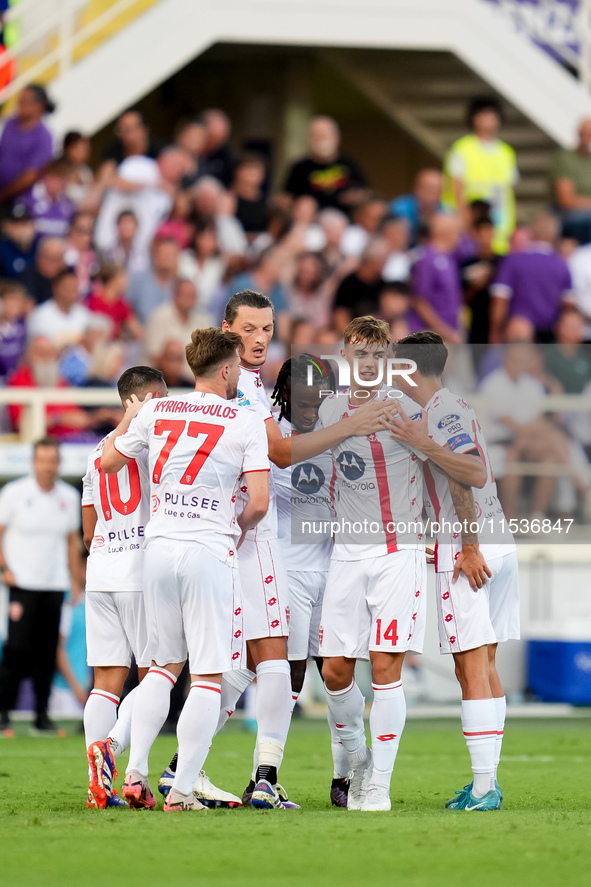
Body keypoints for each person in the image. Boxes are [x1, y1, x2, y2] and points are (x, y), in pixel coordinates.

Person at [100, 328, 270, 812]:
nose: (239, 372)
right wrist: (233, 529)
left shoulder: (156, 409)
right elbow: (258, 502)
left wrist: (129, 419)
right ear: (224, 369)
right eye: (237, 364)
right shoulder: (244, 420)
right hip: (207, 546)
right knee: (210, 676)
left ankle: (134, 773)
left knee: (160, 668)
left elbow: (110, 462)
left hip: (157, 547)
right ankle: (180, 791)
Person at [390, 330, 519, 812]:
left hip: (475, 547)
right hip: (497, 539)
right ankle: (487, 781)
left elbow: (467, 474)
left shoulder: (437, 415)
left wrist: (465, 545)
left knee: (470, 666)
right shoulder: (454, 407)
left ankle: (485, 787)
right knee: (484, 663)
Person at [82, 367, 168, 809]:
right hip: (139, 570)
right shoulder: (153, 439)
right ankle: (124, 760)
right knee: (158, 673)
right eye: (163, 397)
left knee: (106, 683)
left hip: (100, 572)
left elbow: (86, 529)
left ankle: (99, 786)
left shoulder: (95, 451)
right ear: (149, 397)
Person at [270, 355, 352, 807]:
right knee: (290, 675)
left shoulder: (341, 427)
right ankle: (267, 775)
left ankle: (344, 780)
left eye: (317, 401)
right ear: (286, 395)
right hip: (290, 571)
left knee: (339, 674)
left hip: (336, 570)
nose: (309, 410)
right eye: (301, 403)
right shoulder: (272, 430)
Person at [0, 438, 82, 734]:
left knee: (48, 653)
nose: (48, 466)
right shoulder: (14, 493)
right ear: (34, 462)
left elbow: (72, 541)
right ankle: (3, 713)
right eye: (43, 460)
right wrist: (5, 568)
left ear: (58, 463)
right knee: (17, 650)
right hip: (21, 582)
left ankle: (42, 716)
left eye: (52, 460)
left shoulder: (68, 497)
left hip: (54, 584)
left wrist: (74, 580)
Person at [443, 96, 518, 253]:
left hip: (499, 230)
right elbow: (457, 190)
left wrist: (509, 228)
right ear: (473, 118)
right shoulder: (462, 148)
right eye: (482, 114)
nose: (488, 119)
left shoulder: (507, 152)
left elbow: (508, 194)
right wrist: (467, 224)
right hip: (470, 228)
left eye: (492, 114)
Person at [490, 212, 573, 343]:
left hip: (517, 334)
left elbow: (500, 300)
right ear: (554, 236)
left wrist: (495, 331)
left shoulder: (513, 261)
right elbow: (567, 305)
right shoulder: (561, 265)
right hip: (548, 335)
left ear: (532, 233)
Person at [283, 115, 367, 211]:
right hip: (310, 221)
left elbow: (364, 191)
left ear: (336, 137)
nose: (321, 140)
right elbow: (287, 198)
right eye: (316, 136)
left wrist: (354, 196)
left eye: (324, 135)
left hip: (345, 219)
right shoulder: (300, 167)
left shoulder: (348, 163)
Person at [409, 213, 464, 342]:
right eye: (457, 231)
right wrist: (446, 332)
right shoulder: (426, 259)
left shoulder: (450, 259)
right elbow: (420, 302)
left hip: (450, 334)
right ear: (444, 232)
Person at [145, 278, 213, 377]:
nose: (191, 299)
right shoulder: (159, 317)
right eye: (188, 295)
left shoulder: (204, 320)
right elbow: (155, 358)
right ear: (176, 295)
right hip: (163, 380)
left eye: (194, 296)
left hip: (195, 382)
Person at [0, 84, 55, 205]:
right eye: (19, 100)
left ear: (38, 106)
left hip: (21, 201)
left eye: (24, 102)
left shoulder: (44, 136)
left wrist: (4, 194)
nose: (19, 105)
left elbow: (32, 174)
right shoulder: (9, 123)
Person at [332, 238, 390, 333]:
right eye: (383, 261)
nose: (385, 264)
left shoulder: (383, 285)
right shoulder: (349, 284)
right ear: (372, 261)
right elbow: (340, 319)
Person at [460, 216, 503, 344]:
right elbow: (459, 299)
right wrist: (475, 287)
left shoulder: (503, 262)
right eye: (481, 233)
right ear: (474, 235)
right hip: (475, 324)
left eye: (488, 232)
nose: (485, 237)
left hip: (499, 323)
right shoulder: (466, 264)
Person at [28, 267, 91, 350]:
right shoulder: (40, 316)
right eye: (68, 287)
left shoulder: (84, 314)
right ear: (55, 288)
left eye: (75, 288)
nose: (72, 292)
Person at [551, 118, 591, 245]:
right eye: (583, 132)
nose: (586, 137)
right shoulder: (566, 159)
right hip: (565, 214)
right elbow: (566, 200)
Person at [126, 236, 179, 324]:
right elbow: (125, 311)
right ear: (155, 256)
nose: (166, 258)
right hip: (141, 333)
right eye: (162, 254)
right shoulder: (138, 279)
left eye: (170, 254)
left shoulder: (181, 285)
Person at [86, 263, 143, 342]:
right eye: (122, 277)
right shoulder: (93, 301)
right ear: (113, 280)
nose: (126, 281)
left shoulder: (121, 304)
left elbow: (136, 329)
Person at [21, 158, 76, 240]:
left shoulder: (68, 204)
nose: (64, 184)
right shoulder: (27, 201)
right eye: (60, 178)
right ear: (47, 177)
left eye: (65, 179)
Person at [389, 169, 443, 246]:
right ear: (416, 187)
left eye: (438, 189)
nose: (433, 192)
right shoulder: (398, 209)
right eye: (429, 188)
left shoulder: (443, 211)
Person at [18, 235, 66, 305]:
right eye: (51, 258)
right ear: (39, 257)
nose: (54, 263)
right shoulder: (27, 277)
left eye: (58, 259)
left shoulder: (67, 277)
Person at [232, 153, 268, 236]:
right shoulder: (227, 200)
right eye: (248, 169)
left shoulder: (267, 204)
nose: (251, 174)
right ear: (237, 172)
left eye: (256, 170)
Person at [0, 278, 28, 380]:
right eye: (12, 299)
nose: (15, 304)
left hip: (14, 381)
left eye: (19, 300)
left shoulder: (23, 324)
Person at [0, 202, 36, 277]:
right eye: (16, 223)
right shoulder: (2, 251)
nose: (22, 229)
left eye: (26, 222)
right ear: (5, 226)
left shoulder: (40, 248)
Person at [201, 109, 235, 187]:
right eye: (213, 138)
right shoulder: (187, 151)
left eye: (221, 139)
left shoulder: (224, 153)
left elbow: (229, 181)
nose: (217, 143)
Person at [61, 131, 93, 207]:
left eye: (86, 149)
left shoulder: (86, 171)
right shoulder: (59, 172)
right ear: (69, 149)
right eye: (81, 148)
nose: (85, 152)